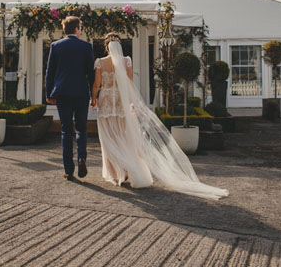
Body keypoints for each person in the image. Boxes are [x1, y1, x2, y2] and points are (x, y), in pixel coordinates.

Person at [90, 33, 228, 200]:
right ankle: (128, 169)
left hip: (106, 104)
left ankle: (114, 173)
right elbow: (129, 83)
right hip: (121, 103)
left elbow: (97, 85)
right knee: (124, 136)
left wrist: (93, 99)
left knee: (109, 137)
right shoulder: (126, 60)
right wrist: (132, 103)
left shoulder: (100, 62)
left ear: (106, 46)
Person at [46, 16, 95, 181]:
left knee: (66, 131)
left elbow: (50, 72)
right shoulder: (86, 46)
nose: (80, 31)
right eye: (80, 28)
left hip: (63, 94)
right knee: (81, 128)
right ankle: (82, 157)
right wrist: (94, 94)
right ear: (76, 29)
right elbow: (91, 73)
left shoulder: (55, 46)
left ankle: (68, 169)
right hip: (81, 93)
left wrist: (48, 94)